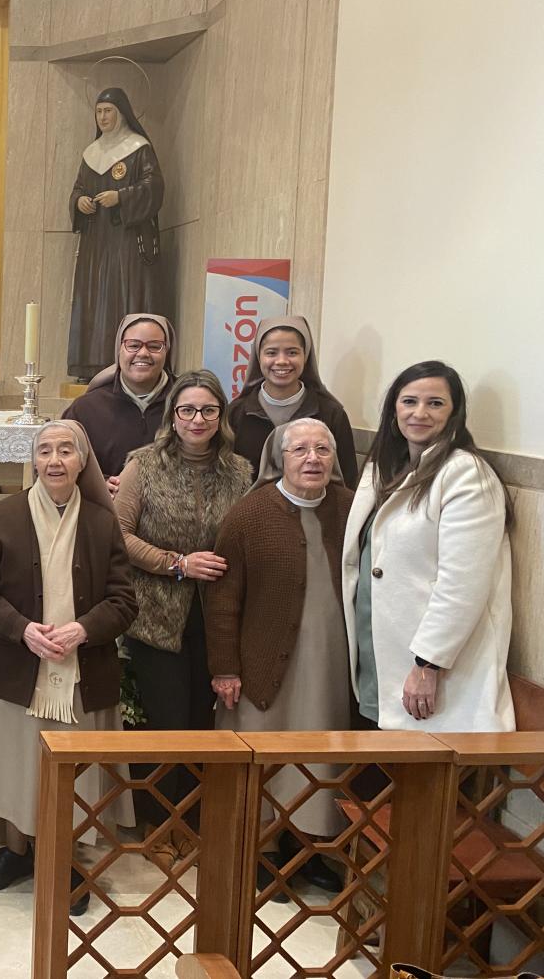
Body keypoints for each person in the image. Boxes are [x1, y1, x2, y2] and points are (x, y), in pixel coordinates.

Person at [0, 420, 137, 917]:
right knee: (19, 765)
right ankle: (16, 852)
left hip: (82, 672)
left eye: (66, 450)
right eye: (45, 450)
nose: (55, 460)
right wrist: (21, 629)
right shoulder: (3, 517)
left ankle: (67, 857)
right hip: (21, 670)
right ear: (33, 461)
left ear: (83, 461)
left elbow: (124, 600)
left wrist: (82, 629)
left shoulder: (103, 523)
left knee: (76, 774)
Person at [205, 419, 353, 895]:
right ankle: (256, 851)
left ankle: (303, 849)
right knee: (260, 753)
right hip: (262, 662)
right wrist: (225, 666)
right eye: (300, 450)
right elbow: (222, 598)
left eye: (322, 449)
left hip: (329, 661)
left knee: (315, 756)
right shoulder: (250, 514)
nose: (312, 459)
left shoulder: (351, 509)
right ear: (279, 459)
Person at [115, 369, 252, 861]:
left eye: (208, 410)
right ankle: (159, 824)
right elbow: (120, 534)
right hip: (156, 614)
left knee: (202, 720)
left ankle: (192, 822)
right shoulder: (144, 466)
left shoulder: (241, 471)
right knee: (166, 721)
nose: (197, 419)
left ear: (221, 417)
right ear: (172, 417)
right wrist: (178, 563)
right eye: (187, 410)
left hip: (216, 616)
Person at [342, 361, 514, 732]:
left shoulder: (466, 473)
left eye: (435, 403)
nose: (420, 412)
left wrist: (428, 664)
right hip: (381, 656)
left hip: (429, 670)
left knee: (424, 781)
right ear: (393, 411)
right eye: (409, 402)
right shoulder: (384, 469)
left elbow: (462, 584)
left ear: (455, 414)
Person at [67, 87, 164, 380]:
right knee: (94, 297)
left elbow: (154, 187)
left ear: (122, 113)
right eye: (98, 112)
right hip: (96, 241)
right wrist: (79, 201)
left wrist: (121, 197)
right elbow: (78, 188)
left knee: (122, 293)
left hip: (125, 241)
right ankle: (91, 364)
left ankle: (126, 364)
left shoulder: (137, 147)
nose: (103, 117)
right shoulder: (92, 153)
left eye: (108, 111)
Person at [226, 316, 359, 486]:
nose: (281, 361)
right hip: (250, 511)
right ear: (259, 356)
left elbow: (347, 481)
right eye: (271, 352)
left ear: (306, 356)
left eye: (292, 352)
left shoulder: (331, 413)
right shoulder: (236, 413)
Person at [61, 312, 176, 490]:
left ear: (167, 351)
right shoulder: (86, 409)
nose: (143, 353)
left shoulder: (187, 404)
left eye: (154, 346)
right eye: (133, 345)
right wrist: (97, 485)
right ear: (119, 349)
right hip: (107, 511)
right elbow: (63, 462)